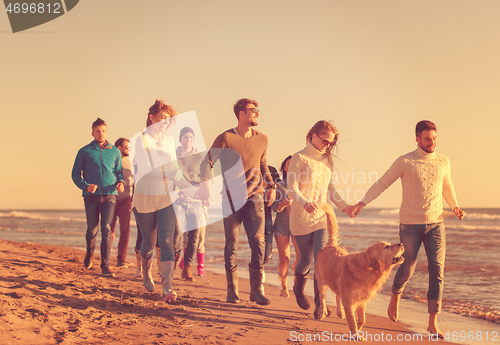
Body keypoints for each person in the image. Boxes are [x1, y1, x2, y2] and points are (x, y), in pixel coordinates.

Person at [348, 120, 464, 338]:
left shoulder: (443, 161)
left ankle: (432, 322)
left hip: (436, 224)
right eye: (428, 138)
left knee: (437, 271)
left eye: (435, 138)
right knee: (408, 267)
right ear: (418, 139)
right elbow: (382, 183)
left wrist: (455, 205)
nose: (432, 142)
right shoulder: (405, 161)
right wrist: (362, 203)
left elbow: (447, 185)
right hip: (410, 225)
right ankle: (396, 294)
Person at [197, 98, 276, 306]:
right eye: (253, 110)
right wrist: (205, 182)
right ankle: (232, 291)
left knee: (258, 242)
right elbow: (207, 162)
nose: (258, 113)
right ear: (241, 114)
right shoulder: (225, 138)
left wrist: (271, 185)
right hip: (231, 200)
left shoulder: (263, 139)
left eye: (258, 109)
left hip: (255, 197)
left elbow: (263, 164)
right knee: (231, 244)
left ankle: (256, 290)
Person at [130, 99, 192, 302]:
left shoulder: (169, 141)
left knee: (166, 242)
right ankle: (146, 271)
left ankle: (167, 287)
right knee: (149, 243)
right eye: (163, 118)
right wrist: (173, 175)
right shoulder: (141, 140)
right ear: (152, 117)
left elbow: (174, 171)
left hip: (165, 197)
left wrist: (190, 190)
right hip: (145, 197)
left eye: (168, 119)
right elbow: (148, 172)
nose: (166, 122)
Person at [287, 120, 350, 311]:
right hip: (300, 218)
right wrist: (304, 202)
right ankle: (298, 287)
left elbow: (329, 188)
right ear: (313, 136)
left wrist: (344, 206)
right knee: (305, 259)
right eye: (325, 141)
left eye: (331, 143)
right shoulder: (299, 158)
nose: (327, 145)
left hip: (321, 218)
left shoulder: (326, 161)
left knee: (320, 261)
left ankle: (319, 303)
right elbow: (291, 189)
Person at [72, 118, 124, 278]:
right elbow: (75, 174)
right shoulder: (85, 151)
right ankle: (89, 252)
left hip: (110, 195)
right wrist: (85, 185)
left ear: (106, 132)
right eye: (97, 131)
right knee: (92, 229)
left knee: (107, 229)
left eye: (103, 131)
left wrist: (121, 182)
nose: (101, 134)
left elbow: (119, 172)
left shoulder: (115, 151)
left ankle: (105, 266)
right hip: (91, 196)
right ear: (92, 133)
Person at [175, 127, 208, 280]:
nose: (188, 140)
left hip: (195, 201)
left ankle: (187, 268)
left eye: (191, 137)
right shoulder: (173, 155)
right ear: (181, 138)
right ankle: (172, 263)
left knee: (194, 238)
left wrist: (206, 192)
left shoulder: (200, 157)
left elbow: (207, 177)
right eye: (185, 137)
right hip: (178, 201)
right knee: (176, 235)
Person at [271, 155, 300, 297]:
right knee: (285, 258)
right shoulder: (278, 185)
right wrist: (283, 203)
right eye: (288, 164)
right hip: (281, 225)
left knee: (301, 257)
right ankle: (284, 286)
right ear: (284, 167)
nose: (290, 166)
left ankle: (297, 283)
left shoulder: (302, 185)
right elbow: (274, 207)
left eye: (293, 163)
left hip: (298, 224)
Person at [110, 138, 133, 267]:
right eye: (126, 147)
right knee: (109, 231)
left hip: (126, 200)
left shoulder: (131, 163)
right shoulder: (112, 161)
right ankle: (106, 257)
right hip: (112, 199)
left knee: (125, 230)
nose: (129, 149)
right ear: (119, 148)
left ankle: (121, 259)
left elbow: (136, 179)